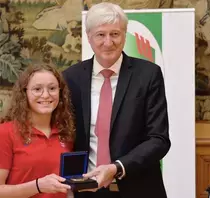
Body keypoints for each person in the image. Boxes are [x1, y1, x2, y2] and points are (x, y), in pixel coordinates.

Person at [63, 2, 170, 198]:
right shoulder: (71, 78)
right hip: (88, 190)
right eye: (100, 34)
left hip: (140, 189)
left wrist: (117, 168)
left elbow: (159, 139)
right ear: (89, 37)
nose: (108, 42)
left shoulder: (147, 75)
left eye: (115, 34)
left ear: (124, 34)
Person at [0, 63, 75, 198]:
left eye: (52, 88)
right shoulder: (5, 132)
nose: (45, 95)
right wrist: (37, 186)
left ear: (60, 92)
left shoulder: (66, 133)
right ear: (24, 93)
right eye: (37, 89)